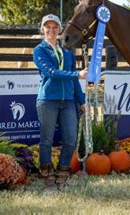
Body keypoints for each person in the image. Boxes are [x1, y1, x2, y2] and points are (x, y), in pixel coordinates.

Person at [33, 14, 87, 188]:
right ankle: (46, 175)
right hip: (48, 100)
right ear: (43, 29)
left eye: (54, 27)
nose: (51, 30)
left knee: (71, 139)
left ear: (60, 30)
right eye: (47, 27)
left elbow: (74, 82)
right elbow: (51, 72)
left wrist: (82, 101)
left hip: (68, 101)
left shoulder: (67, 53)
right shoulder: (39, 51)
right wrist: (76, 74)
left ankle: (62, 174)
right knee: (46, 140)